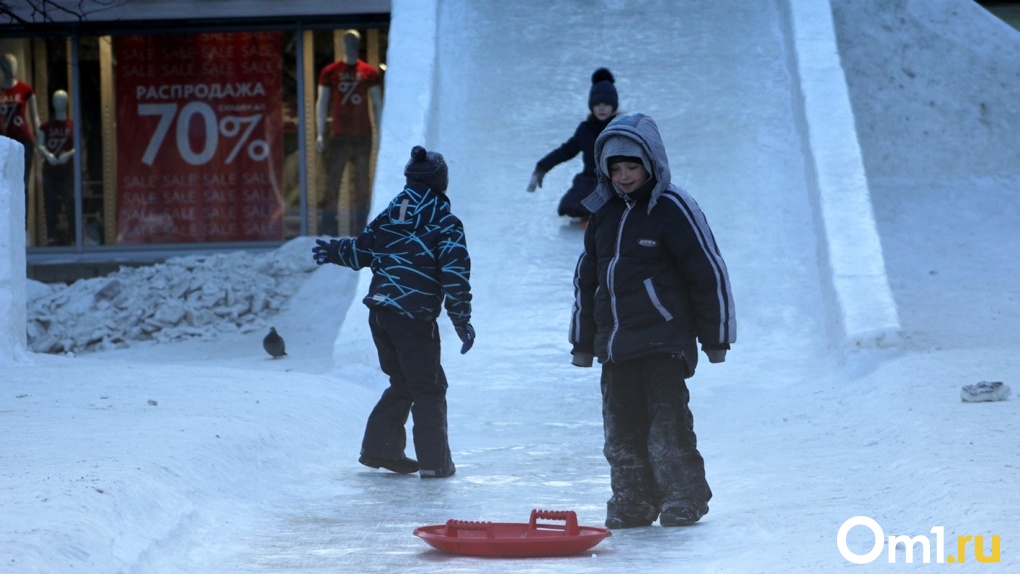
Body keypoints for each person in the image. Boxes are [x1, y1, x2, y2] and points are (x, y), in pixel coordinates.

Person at [569, 113, 736, 528]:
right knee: (620, 432)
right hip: (616, 344)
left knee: (667, 426)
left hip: (664, 338)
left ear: (652, 163)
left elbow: (707, 271)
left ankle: (684, 497)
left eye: (632, 167)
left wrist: (716, 337)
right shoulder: (603, 212)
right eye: (616, 169)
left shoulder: (673, 207)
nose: (624, 177)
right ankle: (633, 502)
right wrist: (583, 342)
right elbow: (587, 278)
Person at [312, 145, 473, 479]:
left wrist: (333, 250)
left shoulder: (389, 216)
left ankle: (379, 449)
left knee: (403, 381)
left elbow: (360, 252)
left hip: (381, 314)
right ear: (441, 183)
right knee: (429, 388)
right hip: (413, 316)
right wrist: (461, 319)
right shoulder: (444, 221)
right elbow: (455, 275)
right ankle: (435, 463)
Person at [527, 68, 619, 224]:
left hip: (614, 179)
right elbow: (566, 150)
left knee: (604, 202)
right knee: (569, 206)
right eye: (597, 105)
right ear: (592, 106)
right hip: (590, 178)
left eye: (606, 104)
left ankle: (605, 216)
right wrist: (542, 167)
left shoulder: (620, 127)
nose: (601, 108)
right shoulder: (586, 129)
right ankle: (591, 215)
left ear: (613, 106)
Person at [315, 30, 383, 236]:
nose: (350, 43)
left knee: (362, 183)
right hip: (340, 134)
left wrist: (380, 134)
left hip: (363, 134)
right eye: (347, 40)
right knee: (332, 181)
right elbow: (322, 102)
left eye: (353, 40)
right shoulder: (330, 71)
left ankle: (362, 230)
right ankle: (328, 229)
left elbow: (378, 104)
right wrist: (320, 133)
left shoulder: (369, 72)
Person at [0, 52, 41, 219]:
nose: (12, 68)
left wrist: (41, 140)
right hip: (4, 143)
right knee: (5, 184)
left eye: (14, 64)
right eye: (8, 64)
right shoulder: (0, 91)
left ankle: (23, 227)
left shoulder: (25, 89)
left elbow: (34, 115)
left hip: (23, 140)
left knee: (22, 184)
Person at [38, 89, 76, 246]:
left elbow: (77, 146)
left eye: (62, 100)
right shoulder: (46, 126)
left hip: (67, 168)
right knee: (50, 202)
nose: (59, 103)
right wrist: (48, 155)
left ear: (66, 102)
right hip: (50, 168)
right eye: (56, 100)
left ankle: (73, 235)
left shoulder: (72, 125)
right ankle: (52, 235)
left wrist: (68, 155)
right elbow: (40, 145)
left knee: (69, 200)